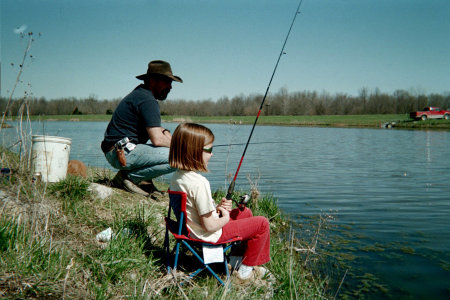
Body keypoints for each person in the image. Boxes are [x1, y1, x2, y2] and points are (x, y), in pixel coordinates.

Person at [169, 123, 271, 281]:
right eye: (209, 150)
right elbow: (209, 226)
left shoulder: (177, 177)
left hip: (191, 229)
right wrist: (225, 217)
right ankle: (245, 273)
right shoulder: (199, 183)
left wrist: (217, 209)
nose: (212, 155)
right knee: (262, 224)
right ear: (194, 151)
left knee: (245, 213)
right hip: (208, 235)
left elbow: (193, 210)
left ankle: (236, 261)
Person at [101, 60, 182, 196]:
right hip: (121, 154)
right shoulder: (148, 100)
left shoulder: (141, 94)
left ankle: (144, 182)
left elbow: (158, 130)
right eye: (166, 82)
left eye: (171, 82)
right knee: (181, 158)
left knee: (175, 151)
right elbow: (156, 139)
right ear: (152, 80)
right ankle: (129, 178)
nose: (170, 87)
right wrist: (184, 148)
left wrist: (168, 134)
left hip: (116, 151)